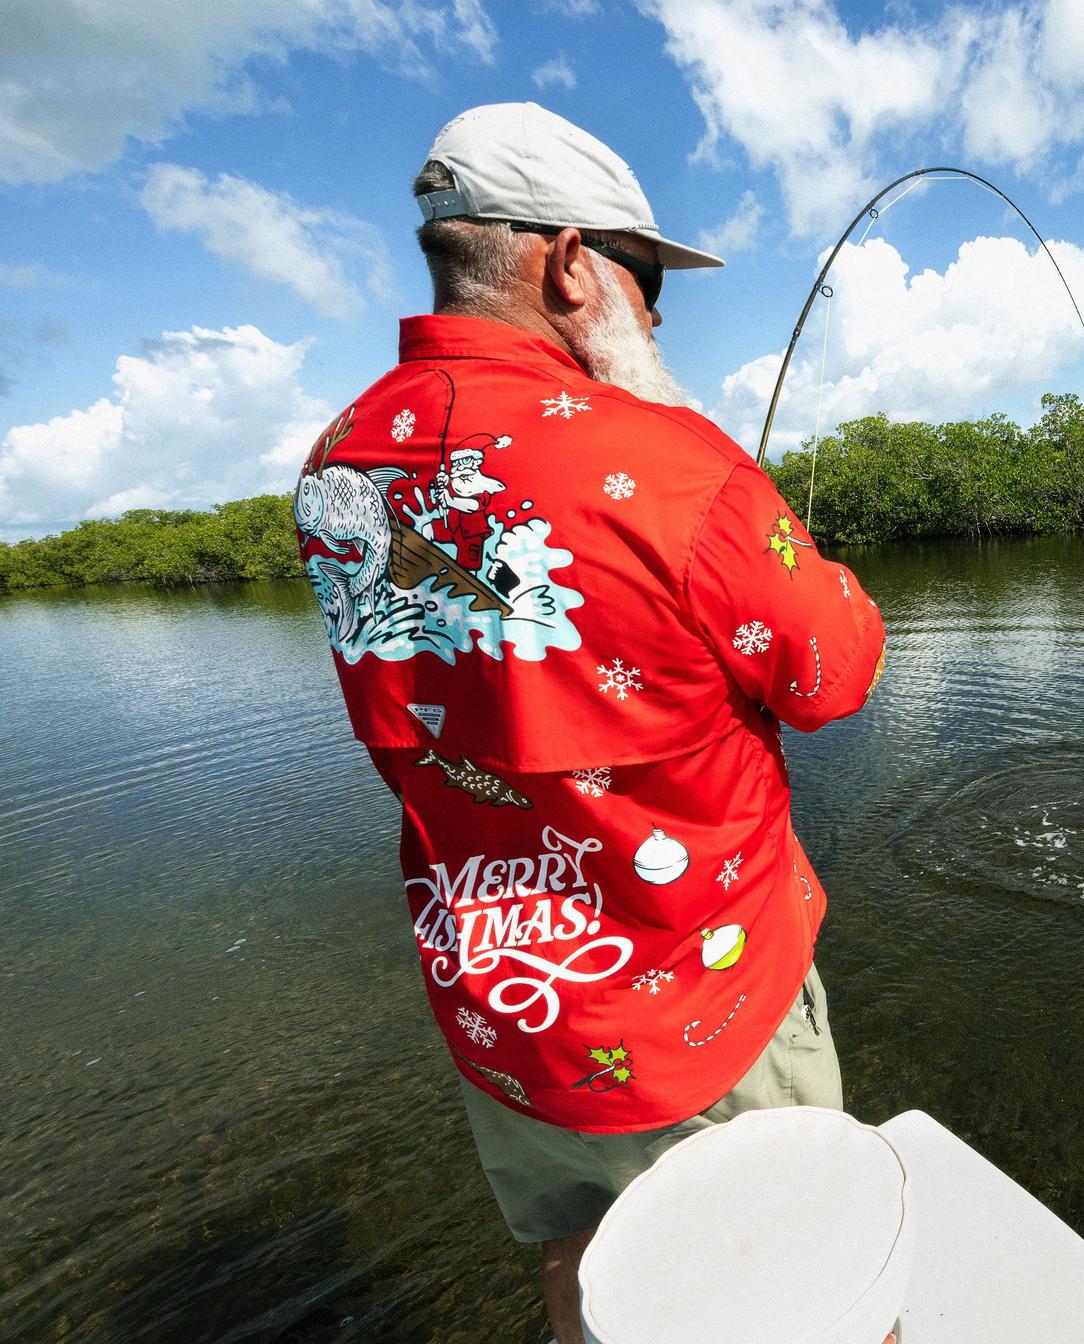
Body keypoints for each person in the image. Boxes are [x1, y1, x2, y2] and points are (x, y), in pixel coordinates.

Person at [295, 102, 887, 1344]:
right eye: (645, 272)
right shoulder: (671, 461)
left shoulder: (337, 463)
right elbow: (832, 673)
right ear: (569, 264)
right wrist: (667, 407)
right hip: (695, 1006)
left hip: (500, 997)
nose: (655, 308)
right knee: (816, 1279)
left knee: (588, 1266)